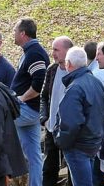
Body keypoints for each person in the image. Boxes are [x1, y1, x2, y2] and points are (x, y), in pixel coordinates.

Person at [55, 48, 104, 186]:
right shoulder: (96, 82)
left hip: (78, 146)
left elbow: (71, 123)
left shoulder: (75, 88)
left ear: (69, 64)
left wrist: (60, 140)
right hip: (93, 143)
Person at [10, 17, 49, 186]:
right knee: (34, 155)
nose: (13, 34)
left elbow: (39, 83)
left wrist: (21, 98)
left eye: (15, 31)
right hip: (32, 110)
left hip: (27, 109)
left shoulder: (34, 53)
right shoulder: (30, 52)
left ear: (23, 34)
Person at [39, 36, 72, 186]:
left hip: (69, 130)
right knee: (49, 168)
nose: (53, 53)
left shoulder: (75, 72)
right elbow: (44, 96)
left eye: (56, 50)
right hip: (51, 128)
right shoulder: (52, 70)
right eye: (53, 49)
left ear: (68, 51)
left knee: (71, 167)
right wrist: (44, 118)